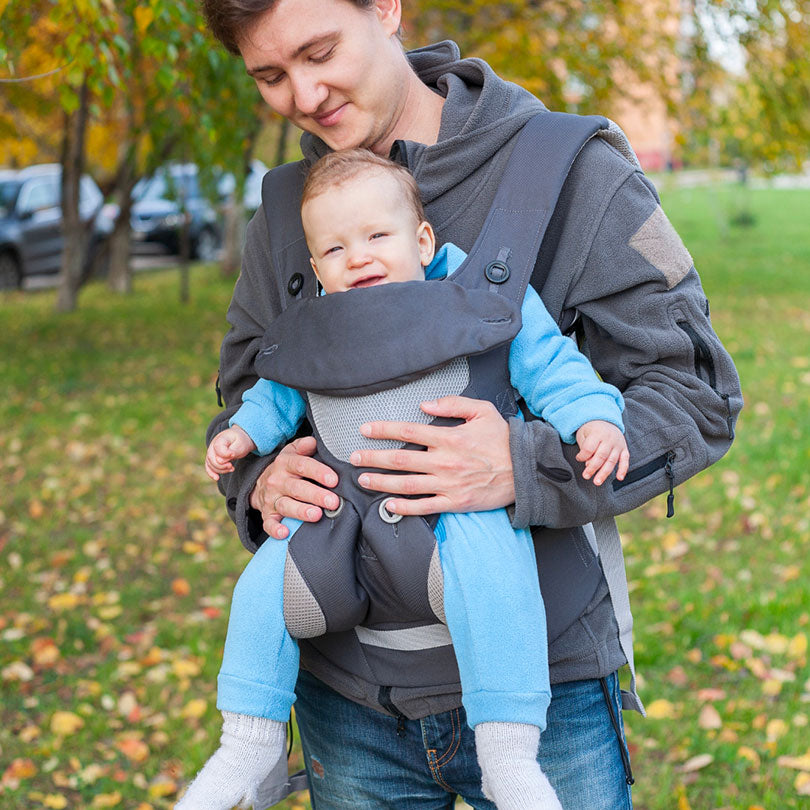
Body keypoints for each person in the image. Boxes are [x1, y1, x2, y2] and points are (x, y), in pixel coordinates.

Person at [200, 1, 743, 807]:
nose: (305, 97)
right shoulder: (286, 210)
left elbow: (696, 392)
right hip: (347, 697)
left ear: (385, 8)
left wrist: (523, 465)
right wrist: (259, 480)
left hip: (547, 691)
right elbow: (246, 398)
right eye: (271, 76)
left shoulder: (571, 167)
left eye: (320, 52)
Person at [182, 149, 629, 810]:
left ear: (423, 241)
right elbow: (274, 392)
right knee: (264, 586)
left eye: (376, 236)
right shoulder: (316, 326)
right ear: (315, 271)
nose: (357, 257)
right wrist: (244, 441)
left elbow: (552, 366)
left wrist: (592, 419)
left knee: (492, 576)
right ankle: (248, 739)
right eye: (333, 249)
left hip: (458, 518)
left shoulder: (485, 299)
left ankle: (509, 753)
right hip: (342, 527)